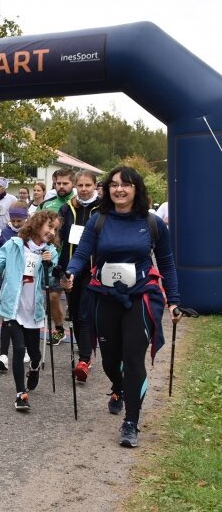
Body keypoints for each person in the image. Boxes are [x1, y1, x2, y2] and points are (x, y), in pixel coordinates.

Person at [62, 166, 181, 448]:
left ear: (136, 189)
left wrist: (174, 299)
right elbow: (82, 253)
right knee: (109, 360)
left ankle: (131, 422)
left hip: (140, 296)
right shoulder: (98, 221)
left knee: (133, 356)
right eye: (114, 184)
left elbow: (166, 263)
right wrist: (70, 272)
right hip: (105, 295)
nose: (119, 190)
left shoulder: (152, 223)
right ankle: (118, 386)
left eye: (126, 185)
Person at [0, 210, 61, 411]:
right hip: (12, 307)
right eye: (49, 226)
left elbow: (49, 282)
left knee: (34, 354)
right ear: (37, 224)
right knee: (19, 349)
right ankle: (21, 394)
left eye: (55, 229)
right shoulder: (14, 245)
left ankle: (35, 367)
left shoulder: (51, 252)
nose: (51, 232)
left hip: (34, 308)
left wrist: (48, 264)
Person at [57, 171, 100, 381]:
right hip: (71, 268)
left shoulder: (103, 208)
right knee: (74, 313)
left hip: (94, 269)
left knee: (85, 314)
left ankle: (84, 359)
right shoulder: (67, 208)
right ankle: (85, 349)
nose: (84, 189)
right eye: (80, 185)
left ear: (95, 186)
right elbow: (58, 236)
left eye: (88, 185)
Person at [0, 201, 30, 371]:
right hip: (9, 282)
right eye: (13, 220)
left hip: (27, 283)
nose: (15, 224)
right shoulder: (6, 233)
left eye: (19, 221)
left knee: (24, 318)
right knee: (7, 318)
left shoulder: (32, 235)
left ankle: (26, 348)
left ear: (26, 219)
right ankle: (3, 354)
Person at [39, 167, 75, 345]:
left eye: (65, 183)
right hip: (53, 258)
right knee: (53, 296)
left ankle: (82, 335)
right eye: (58, 183)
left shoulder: (77, 203)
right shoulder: (48, 203)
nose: (61, 186)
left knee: (75, 299)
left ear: (72, 183)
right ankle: (59, 330)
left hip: (74, 258)